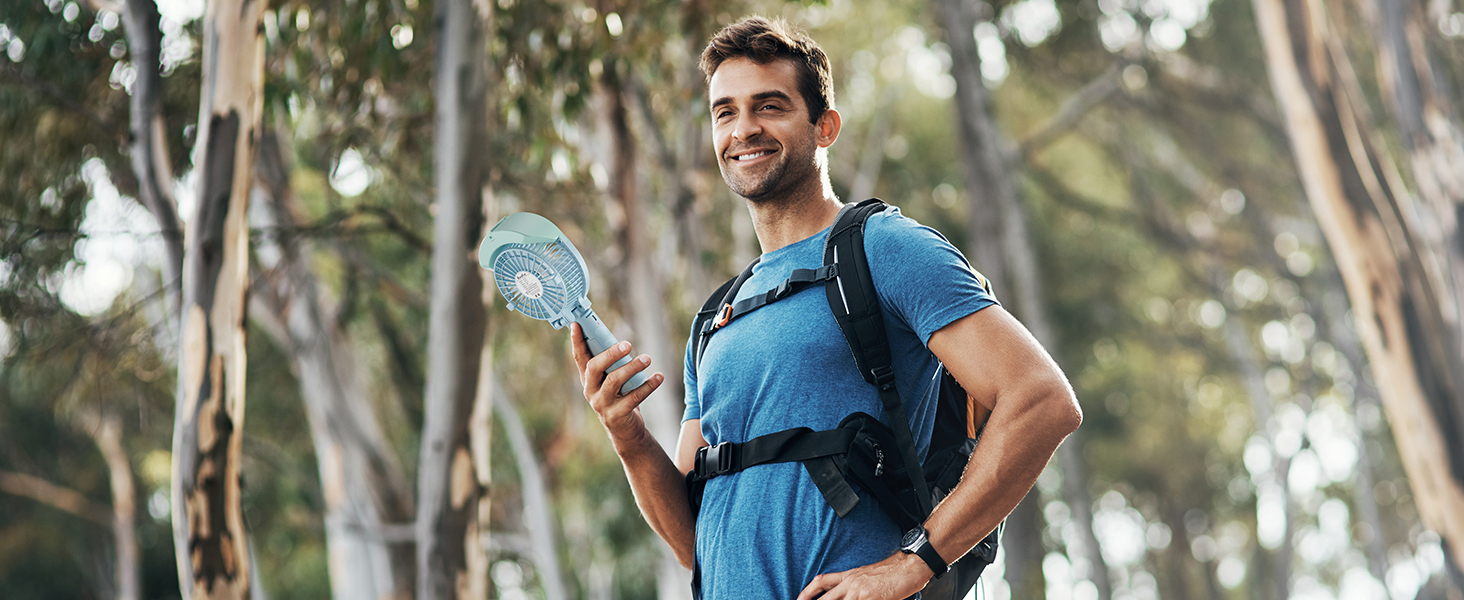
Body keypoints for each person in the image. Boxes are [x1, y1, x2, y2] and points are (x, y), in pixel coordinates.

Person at [569, 16, 1082, 600]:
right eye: (725, 112)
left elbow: (1042, 400)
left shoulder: (885, 248)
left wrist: (913, 564)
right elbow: (695, 542)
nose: (744, 129)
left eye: (770, 106)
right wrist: (628, 435)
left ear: (825, 126)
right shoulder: (715, 318)